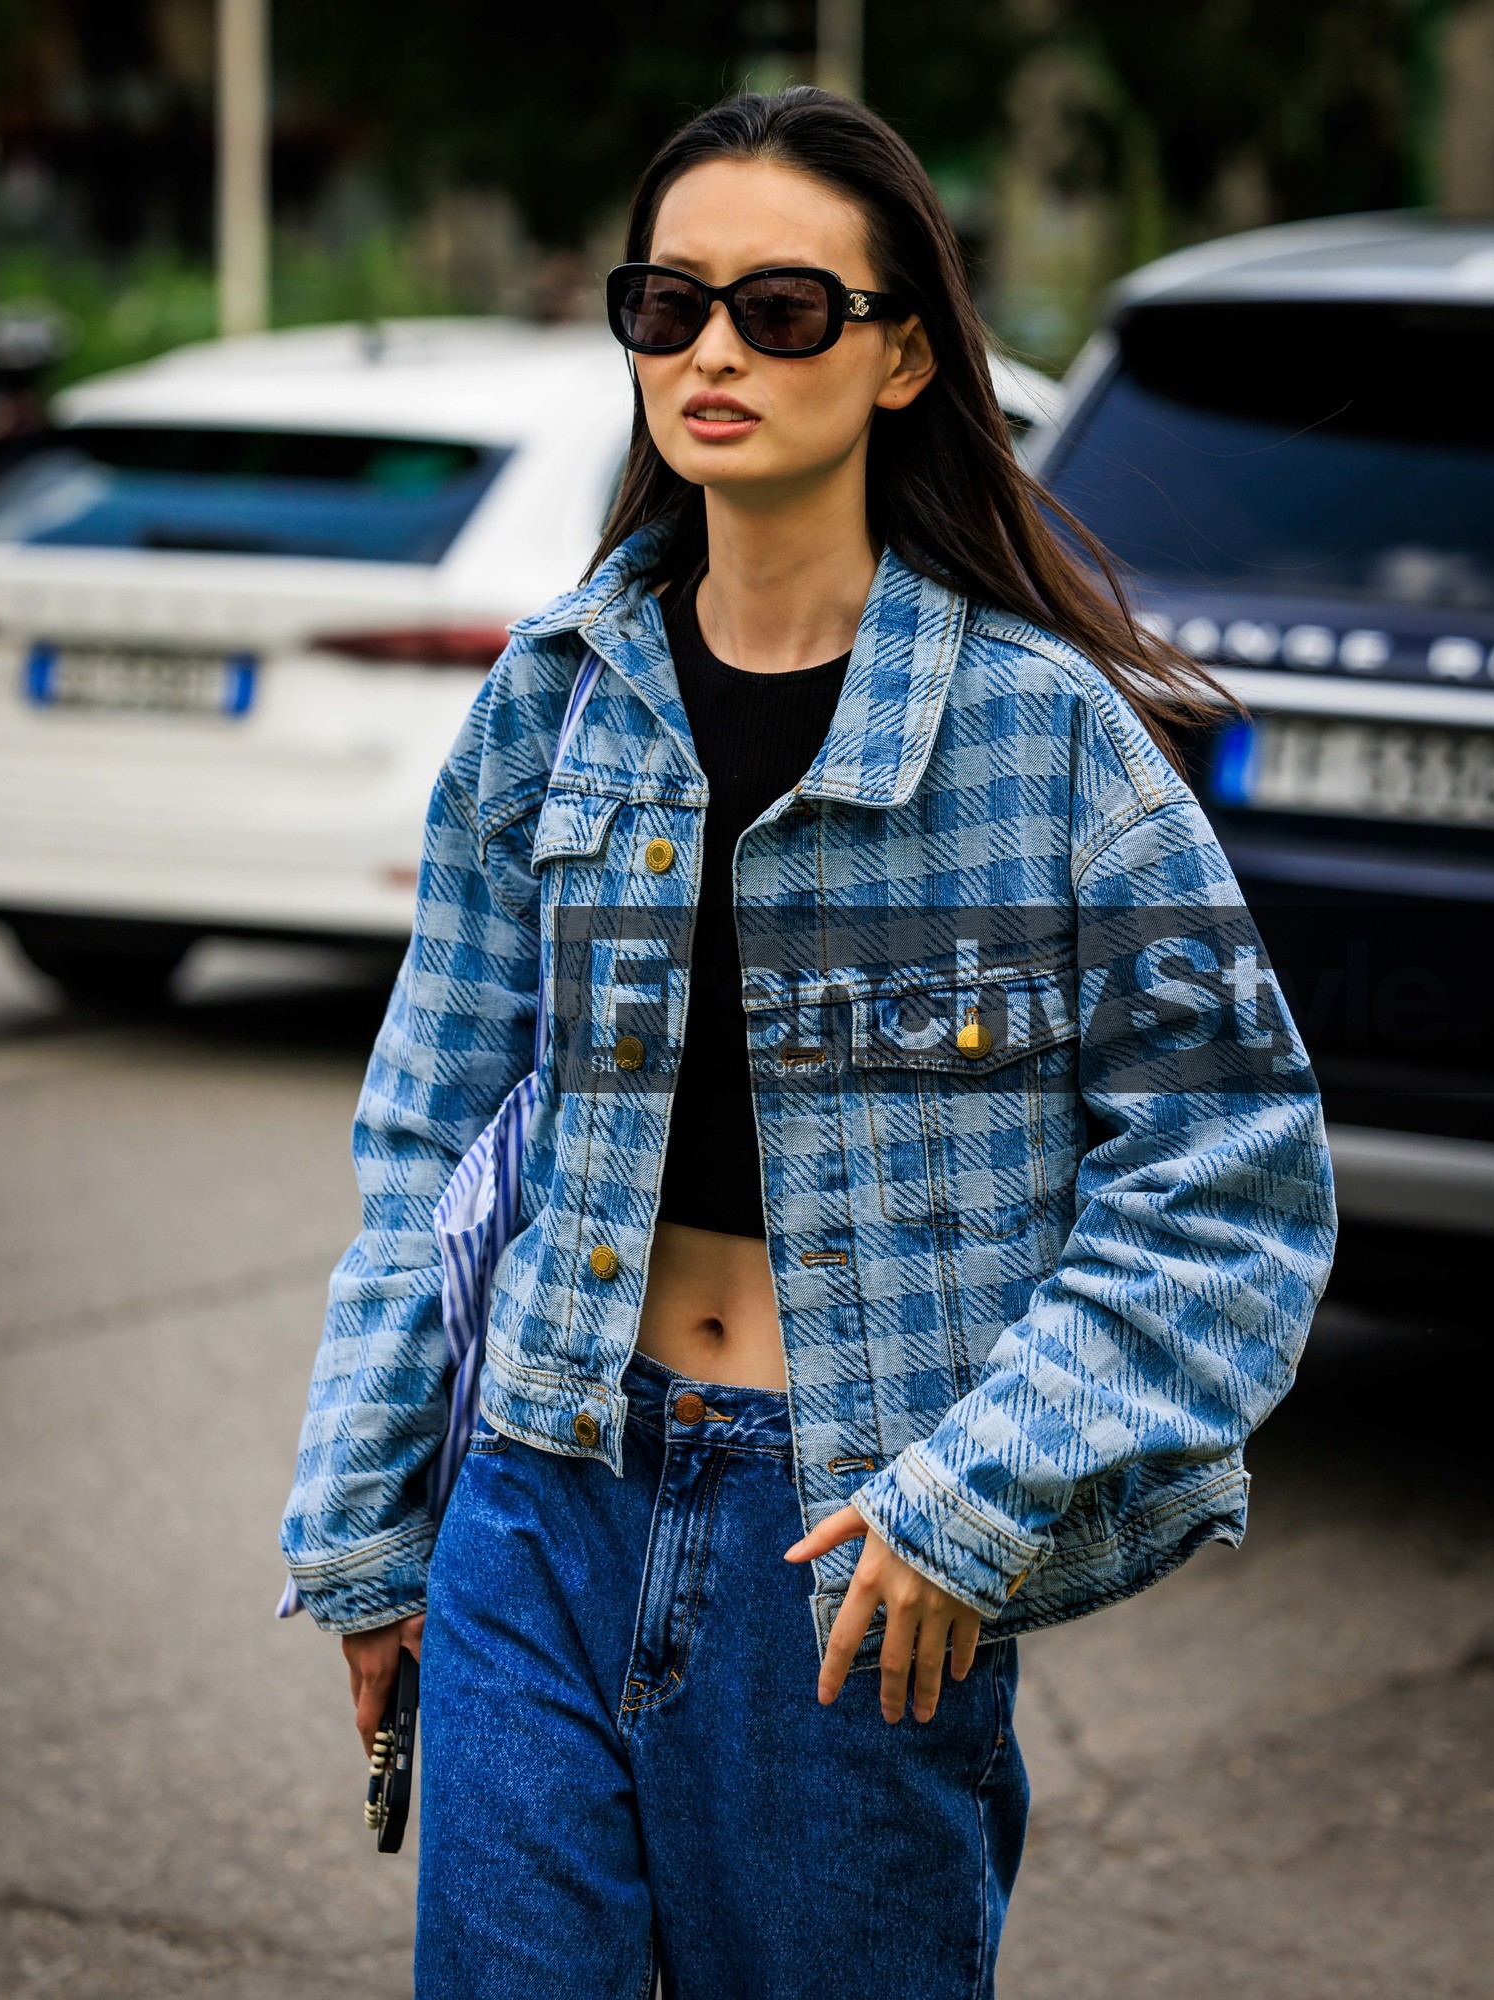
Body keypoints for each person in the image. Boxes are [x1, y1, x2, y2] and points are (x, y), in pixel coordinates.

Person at [280, 87, 1336, 2000]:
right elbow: (427, 1142)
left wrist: (973, 1494)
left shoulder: (1049, 745)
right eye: (666, 303)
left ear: (905, 350)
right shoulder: (552, 706)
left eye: (781, 310)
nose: (710, 352)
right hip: (540, 1489)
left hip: (853, 1545)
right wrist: (370, 1523)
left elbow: (1231, 1187)